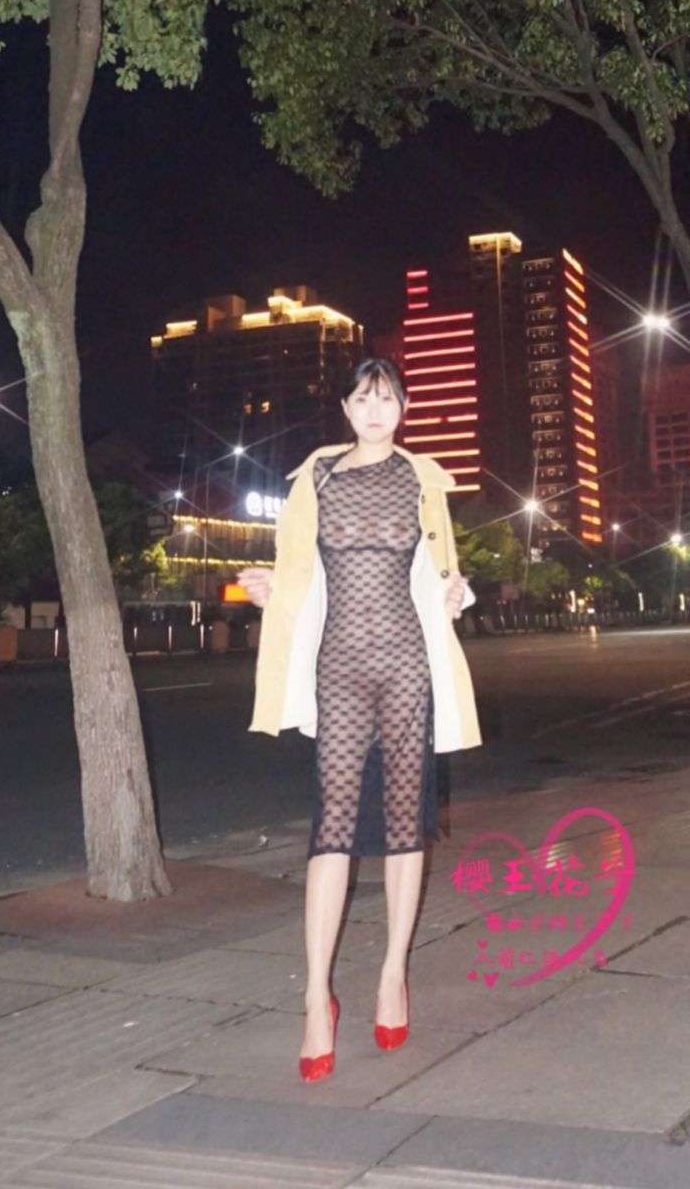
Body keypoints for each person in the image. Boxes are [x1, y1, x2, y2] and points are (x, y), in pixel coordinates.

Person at [239, 355, 483, 1081]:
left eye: (387, 399)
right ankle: (316, 998)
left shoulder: (422, 479)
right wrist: (268, 588)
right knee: (332, 830)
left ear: (403, 409)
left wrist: (458, 592)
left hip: (408, 667)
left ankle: (391, 975)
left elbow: (445, 572)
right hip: (338, 668)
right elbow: (296, 572)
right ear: (345, 409)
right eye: (363, 398)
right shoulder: (315, 477)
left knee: (406, 826)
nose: (375, 410)